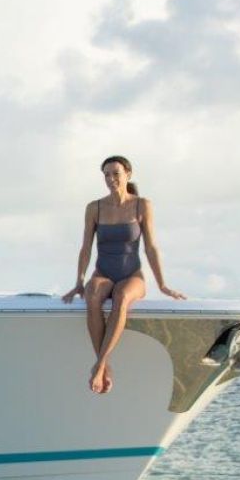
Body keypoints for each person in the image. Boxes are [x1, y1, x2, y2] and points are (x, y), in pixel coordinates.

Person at [63, 155, 185, 394]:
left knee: (121, 296)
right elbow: (86, 247)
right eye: (106, 175)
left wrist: (163, 285)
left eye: (115, 174)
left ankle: (99, 366)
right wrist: (79, 282)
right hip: (103, 273)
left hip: (132, 276)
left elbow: (151, 247)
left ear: (128, 174)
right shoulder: (95, 208)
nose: (111, 179)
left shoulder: (142, 205)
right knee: (92, 294)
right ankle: (104, 365)